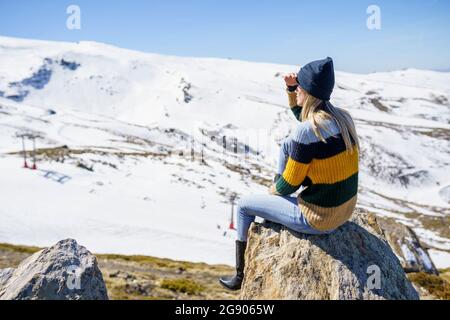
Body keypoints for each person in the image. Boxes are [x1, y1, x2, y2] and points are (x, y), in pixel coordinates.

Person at [219, 57, 360, 291]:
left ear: (307, 92)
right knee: (287, 144)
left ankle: (240, 275)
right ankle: (273, 211)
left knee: (244, 205)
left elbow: (289, 186)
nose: (298, 93)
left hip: (318, 219)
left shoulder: (306, 131)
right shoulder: (342, 118)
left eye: (300, 89)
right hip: (343, 212)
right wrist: (292, 89)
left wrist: (274, 193)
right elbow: (305, 117)